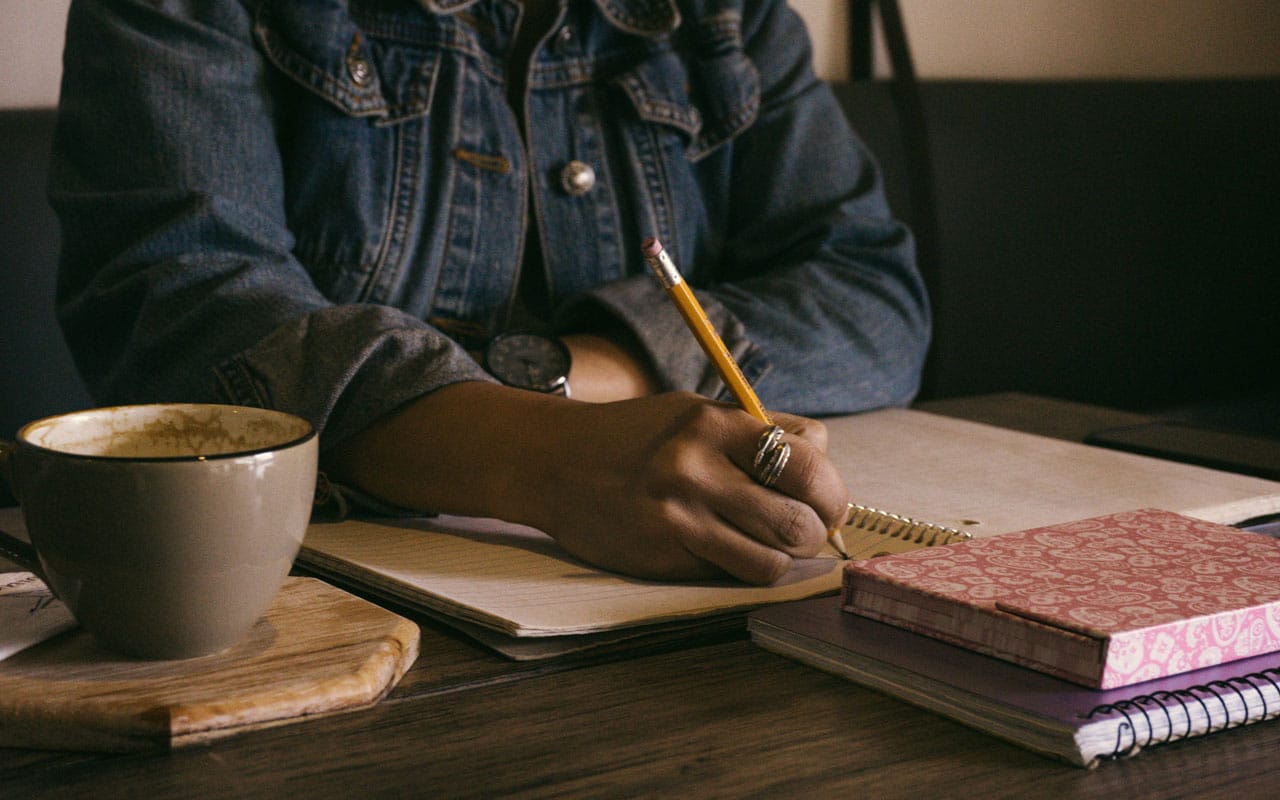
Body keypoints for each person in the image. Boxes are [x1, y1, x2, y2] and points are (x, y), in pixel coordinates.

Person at [49, 0, 930, 585]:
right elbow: (176, 301)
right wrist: (541, 458)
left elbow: (873, 294)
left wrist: (578, 372)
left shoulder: (722, 16)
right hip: (293, 618)